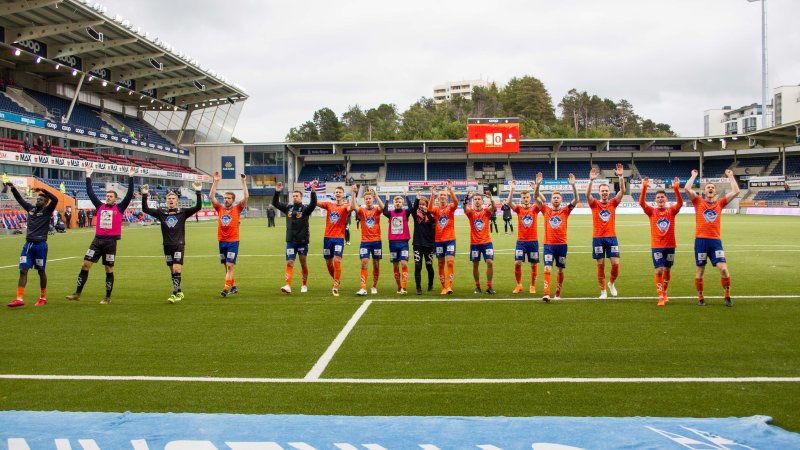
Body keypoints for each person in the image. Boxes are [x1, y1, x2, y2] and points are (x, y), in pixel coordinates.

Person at [65, 165, 135, 304]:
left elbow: (129, 194)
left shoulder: (120, 207)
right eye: (107, 196)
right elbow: (91, 193)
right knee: (85, 264)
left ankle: (107, 297)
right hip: (97, 241)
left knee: (108, 268)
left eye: (111, 196)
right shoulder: (100, 206)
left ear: (115, 199)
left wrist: (131, 177)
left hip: (110, 242)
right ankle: (77, 293)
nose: (108, 198)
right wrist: (88, 176)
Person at [684, 169, 739, 307]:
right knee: (700, 270)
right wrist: (693, 176)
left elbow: (736, 191)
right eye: (708, 187)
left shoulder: (719, 203)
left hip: (715, 241)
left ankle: (727, 295)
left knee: (724, 269)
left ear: (715, 192)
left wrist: (731, 176)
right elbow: (686, 188)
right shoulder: (698, 201)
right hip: (701, 241)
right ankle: (700, 297)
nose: (710, 189)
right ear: (704, 191)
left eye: (712, 188)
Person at [141, 183, 203, 303]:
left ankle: (174, 294)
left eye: (173, 198)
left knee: (176, 268)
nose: (171, 200)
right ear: (166, 200)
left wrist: (198, 192)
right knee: (172, 270)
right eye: (169, 198)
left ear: (177, 200)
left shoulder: (182, 212)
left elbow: (198, 207)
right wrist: (144, 195)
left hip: (179, 244)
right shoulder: (161, 212)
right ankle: (179, 291)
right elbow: (145, 209)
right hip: (167, 245)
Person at [6, 184, 58, 307]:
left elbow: (55, 199)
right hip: (28, 245)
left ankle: (43, 298)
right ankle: (19, 298)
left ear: (46, 203)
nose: (38, 201)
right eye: (37, 199)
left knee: (41, 271)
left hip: (41, 246)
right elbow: (20, 199)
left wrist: (43, 190)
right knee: (23, 270)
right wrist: (13, 188)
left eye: (41, 200)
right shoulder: (30, 208)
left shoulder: (47, 210)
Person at [639, 176, 683, 306]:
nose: (660, 199)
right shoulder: (652, 211)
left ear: (666, 199)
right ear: (655, 200)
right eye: (658, 197)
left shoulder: (672, 211)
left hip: (670, 245)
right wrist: (644, 187)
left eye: (662, 197)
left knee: (667, 270)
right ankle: (660, 297)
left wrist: (676, 189)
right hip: (657, 246)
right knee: (659, 271)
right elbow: (641, 203)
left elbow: (679, 204)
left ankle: (665, 292)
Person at [534, 172, 578, 302]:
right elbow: (536, 197)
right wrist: (538, 184)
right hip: (548, 245)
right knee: (547, 268)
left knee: (560, 270)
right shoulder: (545, 209)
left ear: (561, 200)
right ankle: (546, 293)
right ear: (551, 199)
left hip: (562, 245)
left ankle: (558, 292)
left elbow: (576, 200)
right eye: (554, 198)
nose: (556, 199)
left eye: (558, 198)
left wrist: (573, 185)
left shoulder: (565, 210)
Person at [586, 163, 625, 299]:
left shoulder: (613, 203)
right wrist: (590, 181)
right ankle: (603, 291)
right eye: (602, 191)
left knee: (615, 264)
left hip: (611, 237)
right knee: (600, 265)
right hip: (598, 238)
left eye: (606, 191)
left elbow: (622, 192)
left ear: (609, 192)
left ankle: (611, 283)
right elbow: (587, 195)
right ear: (599, 192)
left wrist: (620, 177)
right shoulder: (594, 204)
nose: (604, 192)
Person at [273, 180, 317, 294]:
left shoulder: (305, 209)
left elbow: (313, 204)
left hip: (302, 241)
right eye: (293, 196)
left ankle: (304, 284)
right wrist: (277, 192)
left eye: (297, 196)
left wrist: (313, 191)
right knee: (289, 262)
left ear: (301, 197)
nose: (295, 197)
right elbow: (275, 204)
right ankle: (287, 285)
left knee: (303, 263)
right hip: (291, 241)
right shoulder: (288, 208)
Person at [209, 170, 249, 297]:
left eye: (228, 198)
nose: (226, 200)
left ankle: (226, 288)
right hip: (221, 241)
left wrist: (244, 182)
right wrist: (215, 182)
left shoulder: (237, 208)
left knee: (230, 265)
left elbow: (246, 197)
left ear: (233, 200)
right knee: (226, 266)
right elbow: (211, 197)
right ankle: (234, 286)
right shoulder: (219, 208)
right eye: (225, 198)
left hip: (233, 241)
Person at [507, 180, 542, 294]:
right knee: (517, 263)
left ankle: (532, 286)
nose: (526, 199)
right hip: (521, 242)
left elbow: (543, 201)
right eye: (523, 197)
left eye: (527, 197)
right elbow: (509, 202)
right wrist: (512, 189)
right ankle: (519, 285)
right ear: (521, 199)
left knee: (533, 264)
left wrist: (535, 189)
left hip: (533, 241)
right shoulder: (519, 209)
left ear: (530, 198)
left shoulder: (535, 208)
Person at [316, 185, 351, 296]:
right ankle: (336, 278)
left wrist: (354, 194)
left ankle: (335, 286)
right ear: (334, 194)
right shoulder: (329, 205)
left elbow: (352, 208)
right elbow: (316, 203)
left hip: (339, 238)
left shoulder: (346, 206)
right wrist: (313, 191)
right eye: (336, 192)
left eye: (340, 192)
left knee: (337, 260)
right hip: (327, 237)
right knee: (328, 262)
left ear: (343, 194)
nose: (337, 193)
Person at [463, 189, 497, 295]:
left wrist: (491, 198)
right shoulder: (471, 213)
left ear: (482, 201)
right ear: (473, 201)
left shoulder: (486, 212)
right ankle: (477, 286)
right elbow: (465, 208)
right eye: (475, 199)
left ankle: (489, 286)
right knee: (475, 265)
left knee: (490, 262)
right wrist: (466, 198)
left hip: (487, 242)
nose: (477, 201)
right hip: (475, 243)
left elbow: (494, 207)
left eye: (479, 199)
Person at [351, 185, 383, 296]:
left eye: (370, 198)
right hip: (365, 242)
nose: (368, 200)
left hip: (377, 241)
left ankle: (374, 286)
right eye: (366, 199)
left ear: (372, 199)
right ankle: (363, 288)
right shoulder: (362, 211)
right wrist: (354, 193)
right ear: (364, 200)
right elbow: (354, 207)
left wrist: (376, 195)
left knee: (376, 264)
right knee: (364, 263)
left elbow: (383, 208)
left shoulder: (377, 210)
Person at [428, 180, 459, 295]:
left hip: (450, 239)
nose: (442, 196)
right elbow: (429, 209)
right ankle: (443, 287)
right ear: (438, 197)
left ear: (447, 197)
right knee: (441, 264)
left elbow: (456, 202)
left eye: (444, 195)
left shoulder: (451, 207)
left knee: (450, 262)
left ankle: (449, 286)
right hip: (439, 240)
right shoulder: (436, 209)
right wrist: (432, 195)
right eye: (440, 195)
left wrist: (451, 190)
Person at [383, 193, 413, 295]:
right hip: (393, 243)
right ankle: (399, 286)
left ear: (402, 203)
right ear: (394, 203)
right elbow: (384, 211)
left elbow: (411, 208)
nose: (398, 203)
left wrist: (407, 196)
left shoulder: (405, 212)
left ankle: (404, 287)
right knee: (395, 266)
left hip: (404, 242)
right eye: (396, 202)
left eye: (400, 202)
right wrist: (387, 200)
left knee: (404, 263)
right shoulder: (390, 213)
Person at [409, 190, 436, 295]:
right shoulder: (416, 216)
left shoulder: (431, 215)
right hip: (417, 244)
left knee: (429, 266)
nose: (421, 206)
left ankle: (430, 285)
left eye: (423, 204)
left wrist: (427, 210)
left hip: (429, 245)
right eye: (420, 204)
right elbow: (413, 210)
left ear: (427, 205)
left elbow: (432, 220)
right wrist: (417, 199)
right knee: (418, 266)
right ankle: (418, 288)